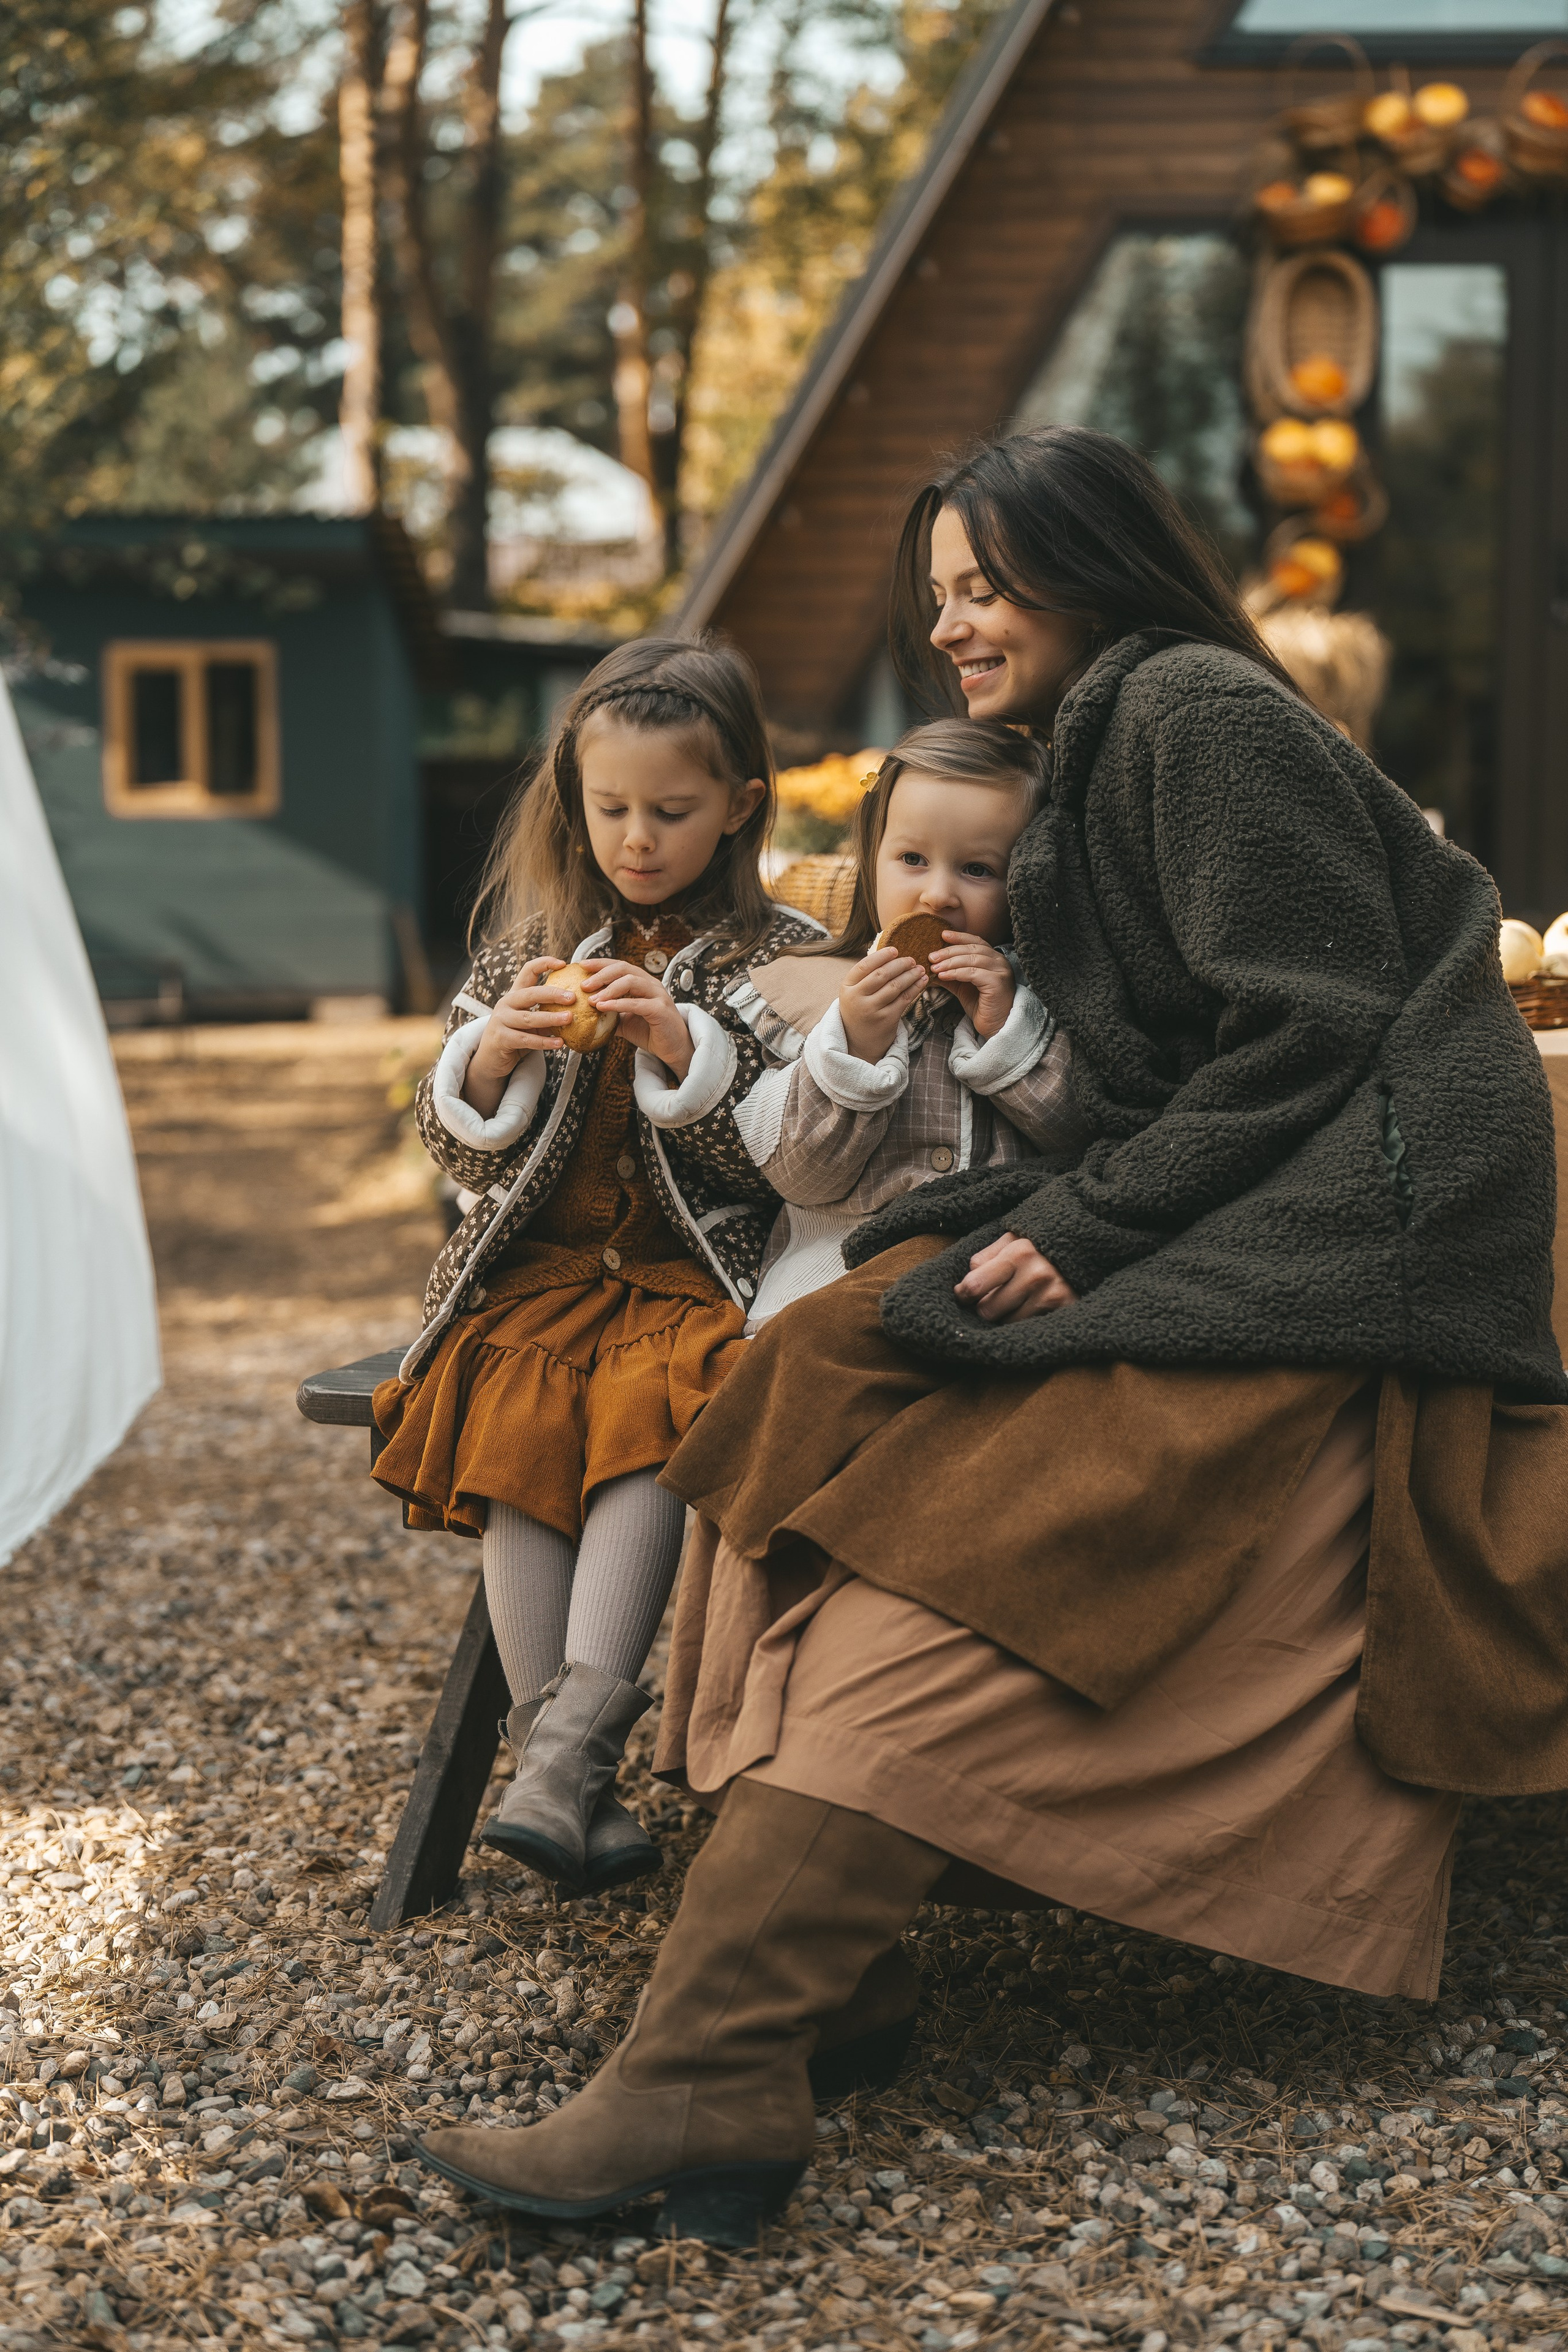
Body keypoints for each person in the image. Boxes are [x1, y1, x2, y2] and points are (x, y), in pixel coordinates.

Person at [413, 426, 1568, 2244]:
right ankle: (835, 1979)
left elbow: (1312, 1032)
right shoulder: (1097, 740)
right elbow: (1156, 1064)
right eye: (939, 592)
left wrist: (1081, 1228)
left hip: (1360, 1216)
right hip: (1237, 1184)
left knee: (992, 1498)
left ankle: (715, 2054)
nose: (949, 624)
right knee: (809, 1361)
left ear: (1087, 570)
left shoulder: (1194, 710)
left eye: (984, 586)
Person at [371, 636, 818, 1896]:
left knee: (645, 1427)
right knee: (517, 1430)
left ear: (739, 806)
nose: (637, 838)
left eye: (670, 811)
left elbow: (790, 1153)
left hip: (690, 1283)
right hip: (544, 1280)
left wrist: (686, 1048)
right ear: (574, 799)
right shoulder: (529, 947)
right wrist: (487, 1062)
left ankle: (555, 1767)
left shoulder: (780, 960)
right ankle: (571, 1783)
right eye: (610, 807)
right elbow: (444, 1139)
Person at [723, 717, 1091, 1329]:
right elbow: (797, 1176)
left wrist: (1007, 1032)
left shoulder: (1048, 998)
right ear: (872, 861)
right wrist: (856, 1046)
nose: (938, 896)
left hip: (993, 1279)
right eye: (913, 859)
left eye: (978, 869)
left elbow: (1082, 1135)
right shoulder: (815, 999)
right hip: (838, 1277)